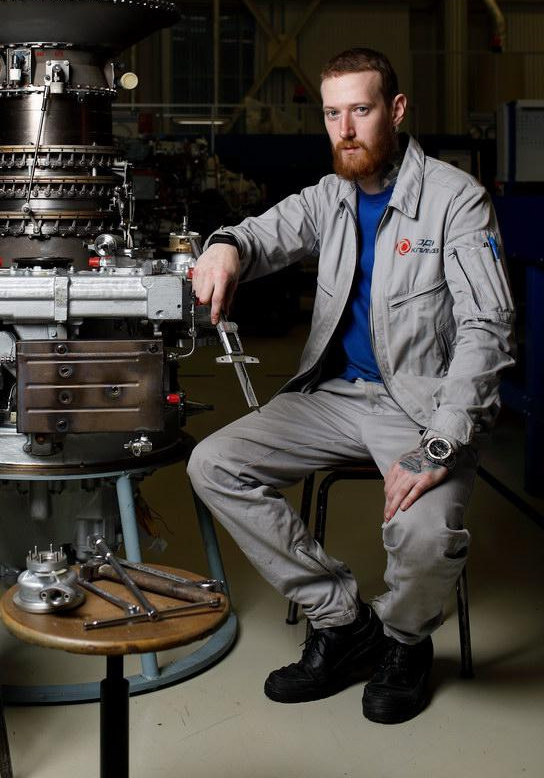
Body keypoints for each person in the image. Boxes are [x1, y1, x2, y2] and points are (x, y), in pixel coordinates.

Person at [188, 47, 515, 724]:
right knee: (212, 462)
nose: (345, 129)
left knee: (426, 535)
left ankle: (403, 644)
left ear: (394, 111)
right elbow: (261, 235)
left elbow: (489, 328)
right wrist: (224, 244)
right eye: (333, 114)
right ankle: (344, 626)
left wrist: (441, 443)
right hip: (334, 397)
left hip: (422, 408)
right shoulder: (329, 197)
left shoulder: (458, 201)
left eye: (359, 111)